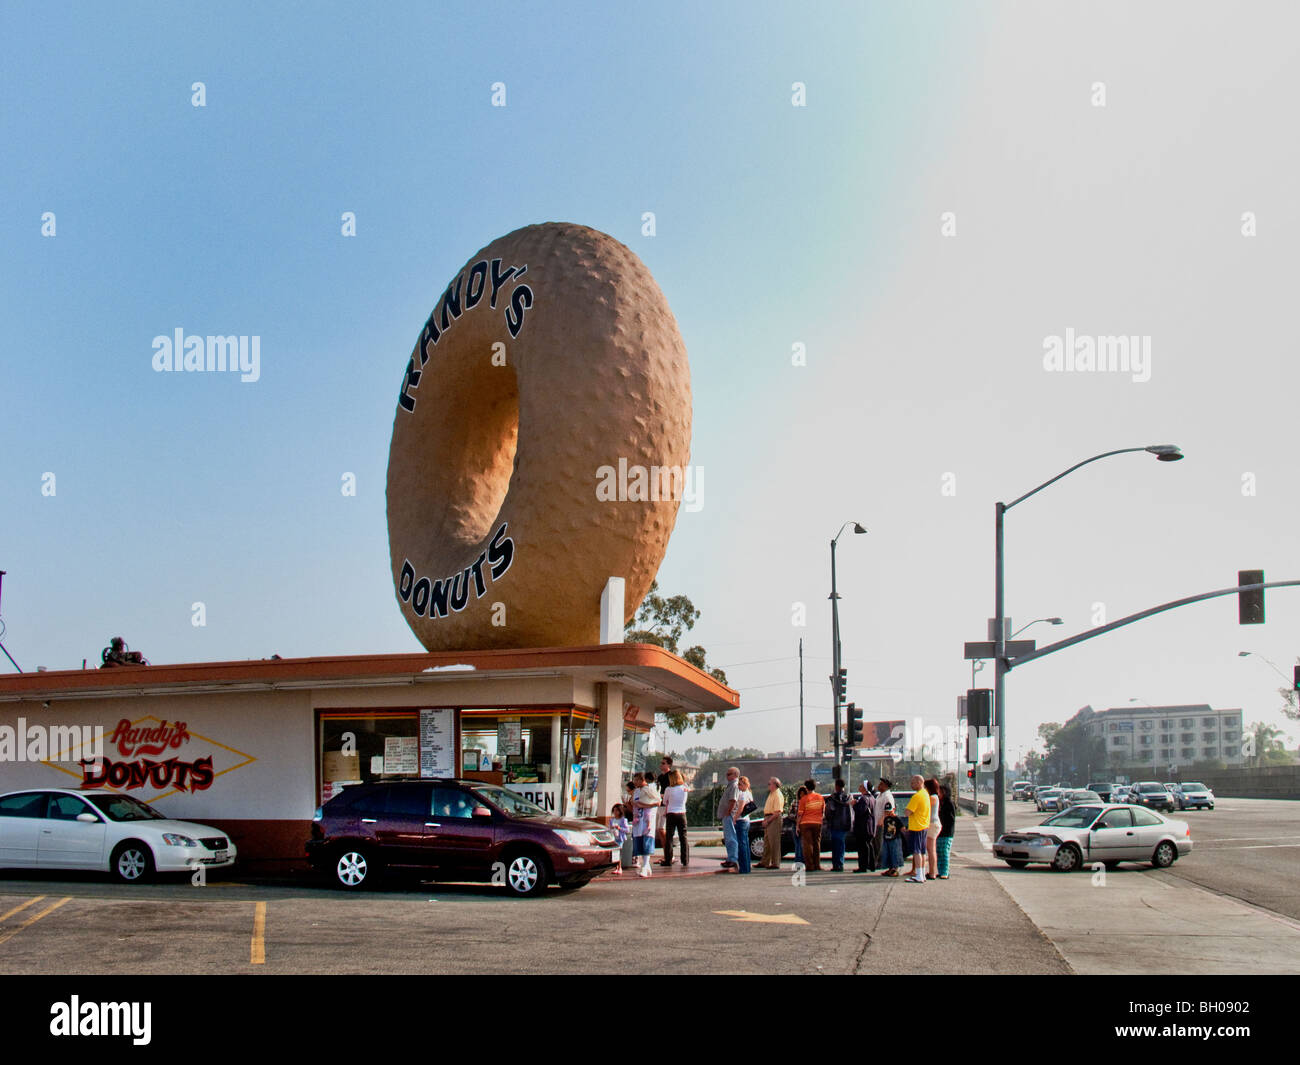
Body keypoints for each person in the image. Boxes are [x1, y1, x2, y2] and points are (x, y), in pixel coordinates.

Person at [632, 772, 661, 877]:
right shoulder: (636, 791)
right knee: (639, 841)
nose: (634, 782)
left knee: (647, 840)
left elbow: (657, 802)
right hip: (638, 819)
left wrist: (643, 805)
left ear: (641, 780)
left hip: (647, 819)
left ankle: (645, 866)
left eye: (636, 780)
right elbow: (634, 802)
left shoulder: (649, 789)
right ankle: (646, 865)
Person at [660, 769, 690, 867]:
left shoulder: (669, 789)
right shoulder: (684, 788)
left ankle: (668, 859)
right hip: (682, 813)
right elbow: (685, 800)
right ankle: (685, 860)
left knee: (669, 837)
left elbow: (664, 801)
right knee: (683, 837)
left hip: (671, 813)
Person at [903, 774, 930, 883]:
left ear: (919, 782)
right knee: (922, 852)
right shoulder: (925, 794)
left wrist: (906, 811)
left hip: (917, 826)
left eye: (913, 782)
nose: (911, 784)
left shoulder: (917, 796)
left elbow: (908, 812)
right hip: (924, 825)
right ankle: (921, 874)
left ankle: (919, 875)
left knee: (916, 851)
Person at [796, 779, 825, 871]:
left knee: (807, 845)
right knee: (816, 844)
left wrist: (797, 826)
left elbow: (800, 814)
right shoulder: (820, 797)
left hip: (805, 823)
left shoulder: (804, 799)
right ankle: (817, 865)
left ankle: (809, 865)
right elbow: (823, 812)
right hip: (817, 823)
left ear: (806, 787)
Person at [825, 778, 853, 871]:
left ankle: (835, 864)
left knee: (835, 845)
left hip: (834, 824)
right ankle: (840, 863)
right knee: (841, 844)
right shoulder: (849, 797)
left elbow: (829, 811)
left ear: (836, 786)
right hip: (844, 824)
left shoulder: (832, 798)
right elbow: (851, 811)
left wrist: (829, 820)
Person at [716, 767, 740, 870]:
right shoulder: (730, 785)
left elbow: (733, 800)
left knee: (731, 838)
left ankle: (733, 859)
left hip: (729, 815)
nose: (727, 776)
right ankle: (730, 858)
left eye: (729, 774)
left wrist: (728, 812)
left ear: (735, 774)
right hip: (727, 815)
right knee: (728, 837)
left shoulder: (734, 785)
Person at [852, 781, 877, 873]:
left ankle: (863, 866)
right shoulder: (872, 798)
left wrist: (854, 804)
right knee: (869, 846)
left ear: (865, 788)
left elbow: (860, 811)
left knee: (862, 847)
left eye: (861, 785)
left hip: (863, 827)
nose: (859, 786)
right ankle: (872, 865)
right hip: (870, 826)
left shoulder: (863, 799)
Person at [761, 777, 785, 869]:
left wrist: (768, 820)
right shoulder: (772, 794)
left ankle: (775, 863)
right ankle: (764, 861)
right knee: (767, 841)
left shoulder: (777, 795)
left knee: (774, 841)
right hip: (768, 816)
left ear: (775, 784)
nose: (768, 785)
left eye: (769, 783)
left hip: (773, 818)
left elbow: (777, 811)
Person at [733, 775, 754, 874]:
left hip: (741, 820)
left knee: (741, 845)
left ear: (745, 784)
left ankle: (743, 868)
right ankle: (747, 867)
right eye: (738, 784)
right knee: (745, 843)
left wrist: (734, 818)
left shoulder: (742, 794)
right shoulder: (749, 793)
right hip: (747, 820)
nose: (738, 786)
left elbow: (740, 808)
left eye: (740, 784)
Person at [872, 777, 894, 867]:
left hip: (883, 824)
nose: (879, 785)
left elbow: (889, 810)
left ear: (885, 786)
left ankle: (881, 863)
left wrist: (882, 820)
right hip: (877, 823)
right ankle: (877, 862)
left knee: (881, 844)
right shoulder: (880, 795)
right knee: (877, 844)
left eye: (881, 784)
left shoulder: (887, 796)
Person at [878, 799, 903, 876]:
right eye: (886, 811)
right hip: (887, 839)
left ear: (894, 809)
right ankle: (889, 868)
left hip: (895, 839)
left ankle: (895, 869)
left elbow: (903, 828)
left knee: (895, 853)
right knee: (887, 854)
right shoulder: (885, 818)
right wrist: (884, 815)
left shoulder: (897, 819)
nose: (888, 813)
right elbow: (880, 824)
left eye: (889, 811)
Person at [937, 783, 956, 879]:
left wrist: (943, 826)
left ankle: (945, 872)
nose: (938, 793)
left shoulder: (949, 803)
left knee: (944, 852)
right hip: (939, 832)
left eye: (940, 791)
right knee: (939, 852)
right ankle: (940, 871)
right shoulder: (940, 802)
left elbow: (951, 820)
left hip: (947, 833)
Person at [924, 778, 941, 880]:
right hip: (932, 824)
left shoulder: (933, 797)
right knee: (931, 849)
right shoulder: (934, 797)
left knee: (931, 850)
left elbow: (924, 806)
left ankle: (932, 873)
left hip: (932, 824)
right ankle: (931, 871)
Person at [610, 803, 631, 875]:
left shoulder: (623, 820)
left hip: (620, 838)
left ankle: (619, 867)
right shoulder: (612, 820)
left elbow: (627, 830)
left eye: (617, 811)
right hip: (613, 838)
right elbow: (609, 828)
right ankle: (616, 867)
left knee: (618, 853)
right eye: (614, 811)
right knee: (614, 853)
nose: (615, 812)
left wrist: (620, 828)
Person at [792, 786, 808, 865]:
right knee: (797, 843)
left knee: (802, 843)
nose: (802, 795)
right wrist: (795, 818)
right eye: (800, 794)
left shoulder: (807, 802)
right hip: (795, 824)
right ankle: (798, 859)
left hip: (803, 824)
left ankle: (801, 859)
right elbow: (790, 813)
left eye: (803, 793)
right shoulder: (795, 802)